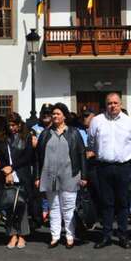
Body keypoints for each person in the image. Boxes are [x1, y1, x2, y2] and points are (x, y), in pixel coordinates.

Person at [88, 93, 131, 249]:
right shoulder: (97, 121)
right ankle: (106, 235)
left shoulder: (130, 122)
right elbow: (92, 142)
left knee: (123, 202)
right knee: (106, 203)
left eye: (115, 103)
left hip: (123, 167)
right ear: (105, 105)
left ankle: (123, 235)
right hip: (103, 166)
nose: (112, 106)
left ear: (120, 104)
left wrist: (122, 155)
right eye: (109, 103)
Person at [36, 103, 87, 249]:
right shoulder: (45, 134)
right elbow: (37, 157)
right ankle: (55, 236)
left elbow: (81, 154)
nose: (54, 116)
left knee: (68, 208)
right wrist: (37, 177)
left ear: (64, 116)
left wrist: (84, 175)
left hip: (69, 175)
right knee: (53, 207)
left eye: (58, 113)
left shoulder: (74, 133)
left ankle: (70, 236)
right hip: (49, 175)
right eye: (53, 114)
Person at [0, 113, 36, 249]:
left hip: (22, 174)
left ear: (19, 125)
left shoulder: (26, 137)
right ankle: (12, 235)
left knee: (22, 206)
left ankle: (22, 235)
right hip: (7, 175)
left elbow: (27, 157)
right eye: (9, 125)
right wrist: (6, 172)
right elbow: (0, 156)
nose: (11, 128)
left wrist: (12, 168)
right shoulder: (2, 138)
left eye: (14, 125)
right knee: (9, 205)